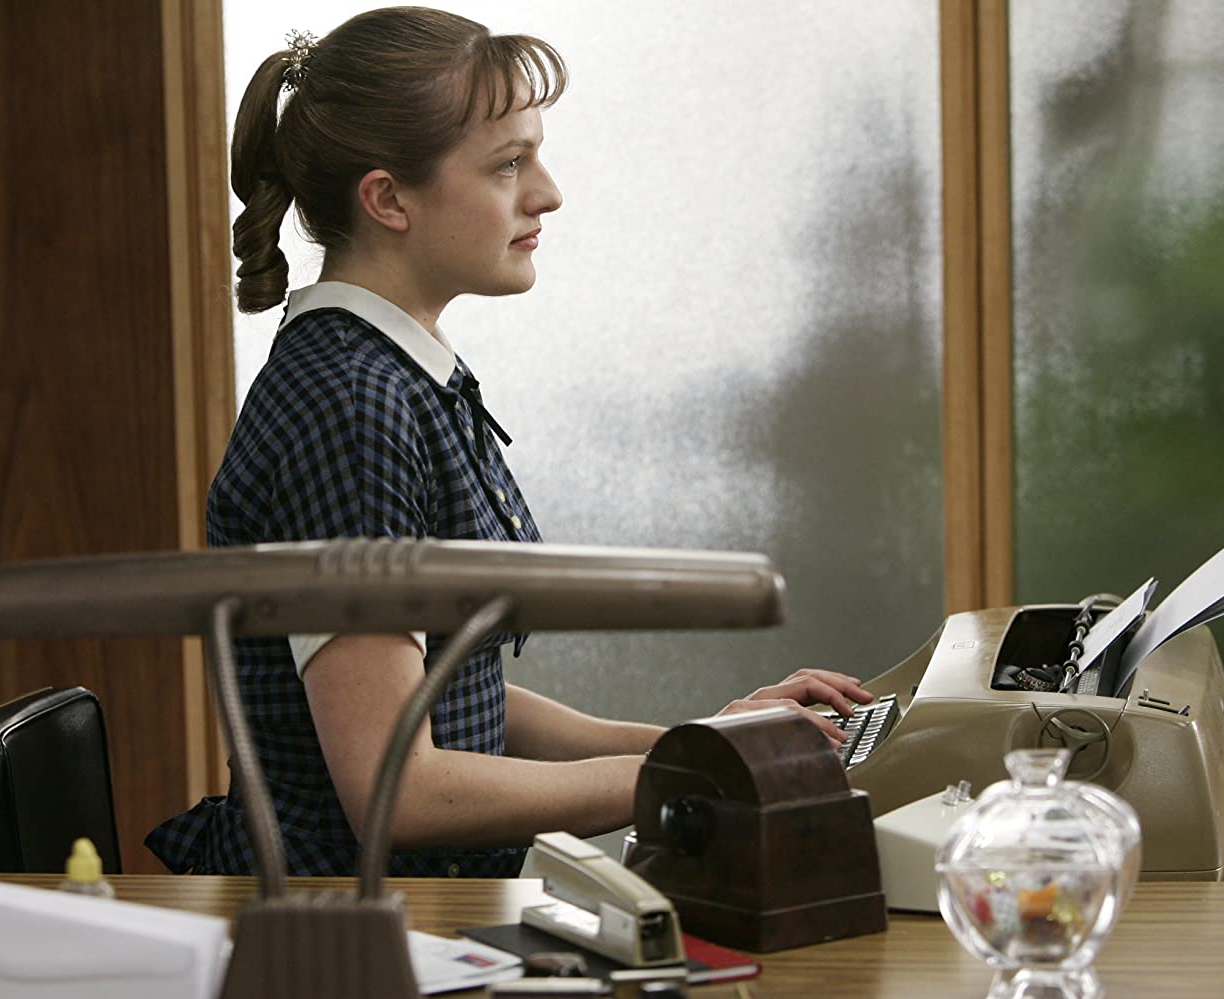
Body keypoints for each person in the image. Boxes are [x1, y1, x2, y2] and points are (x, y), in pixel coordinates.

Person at [147, 6, 872, 879]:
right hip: (344, 929)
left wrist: (706, 741)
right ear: (388, 199)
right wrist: (693, 771)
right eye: (507, 164)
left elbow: (460, 698)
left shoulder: (395, 376)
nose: (547, 193)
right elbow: (397, 789)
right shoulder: (349, 407)